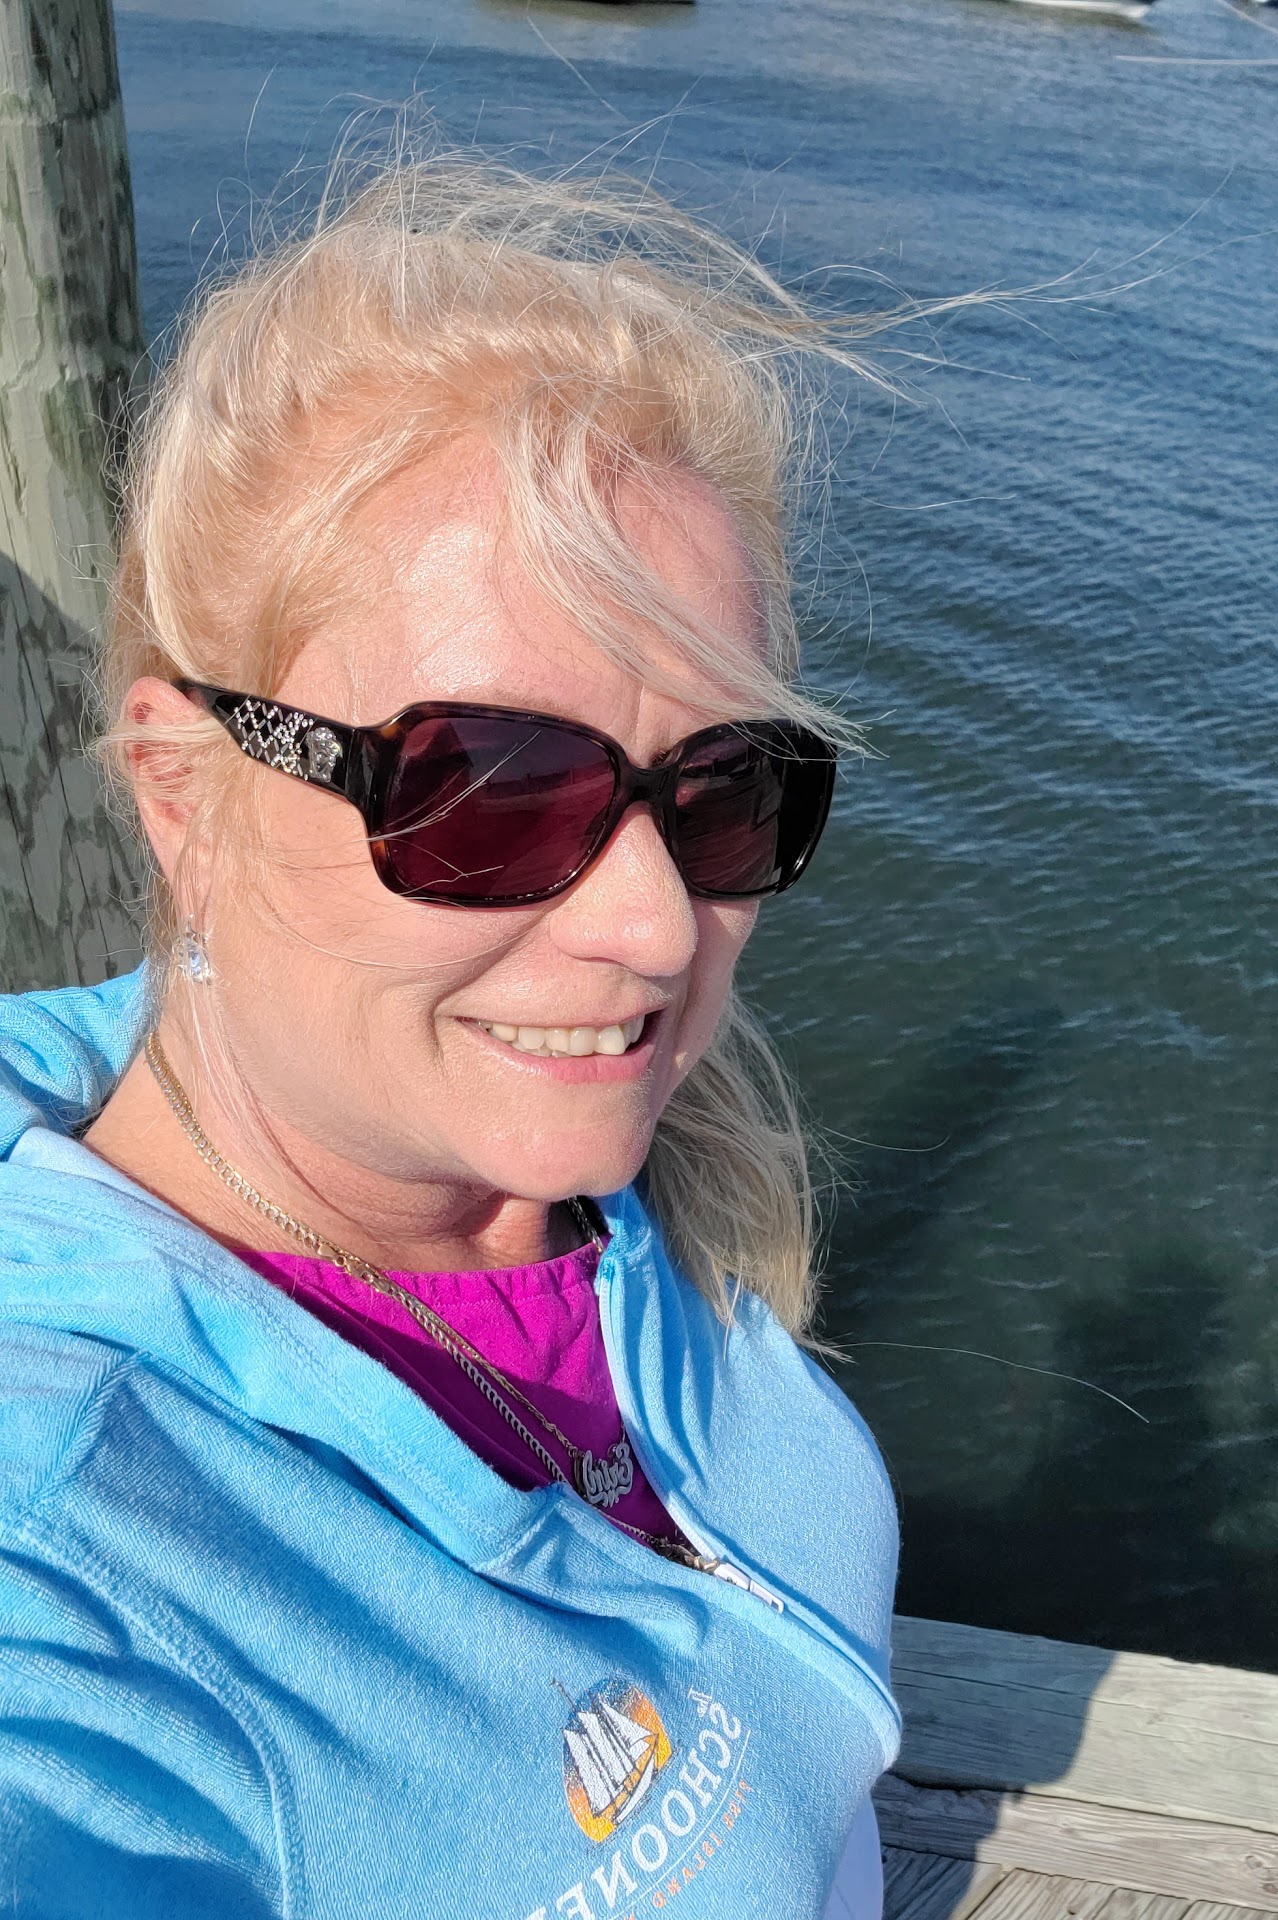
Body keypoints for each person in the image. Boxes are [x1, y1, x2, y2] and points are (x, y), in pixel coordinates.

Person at [0, 157, 898, 1918]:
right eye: (491, 789)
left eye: (727, 788)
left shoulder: (602, 1188)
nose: (658, 927)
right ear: (181, 791)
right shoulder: (71, 1573)